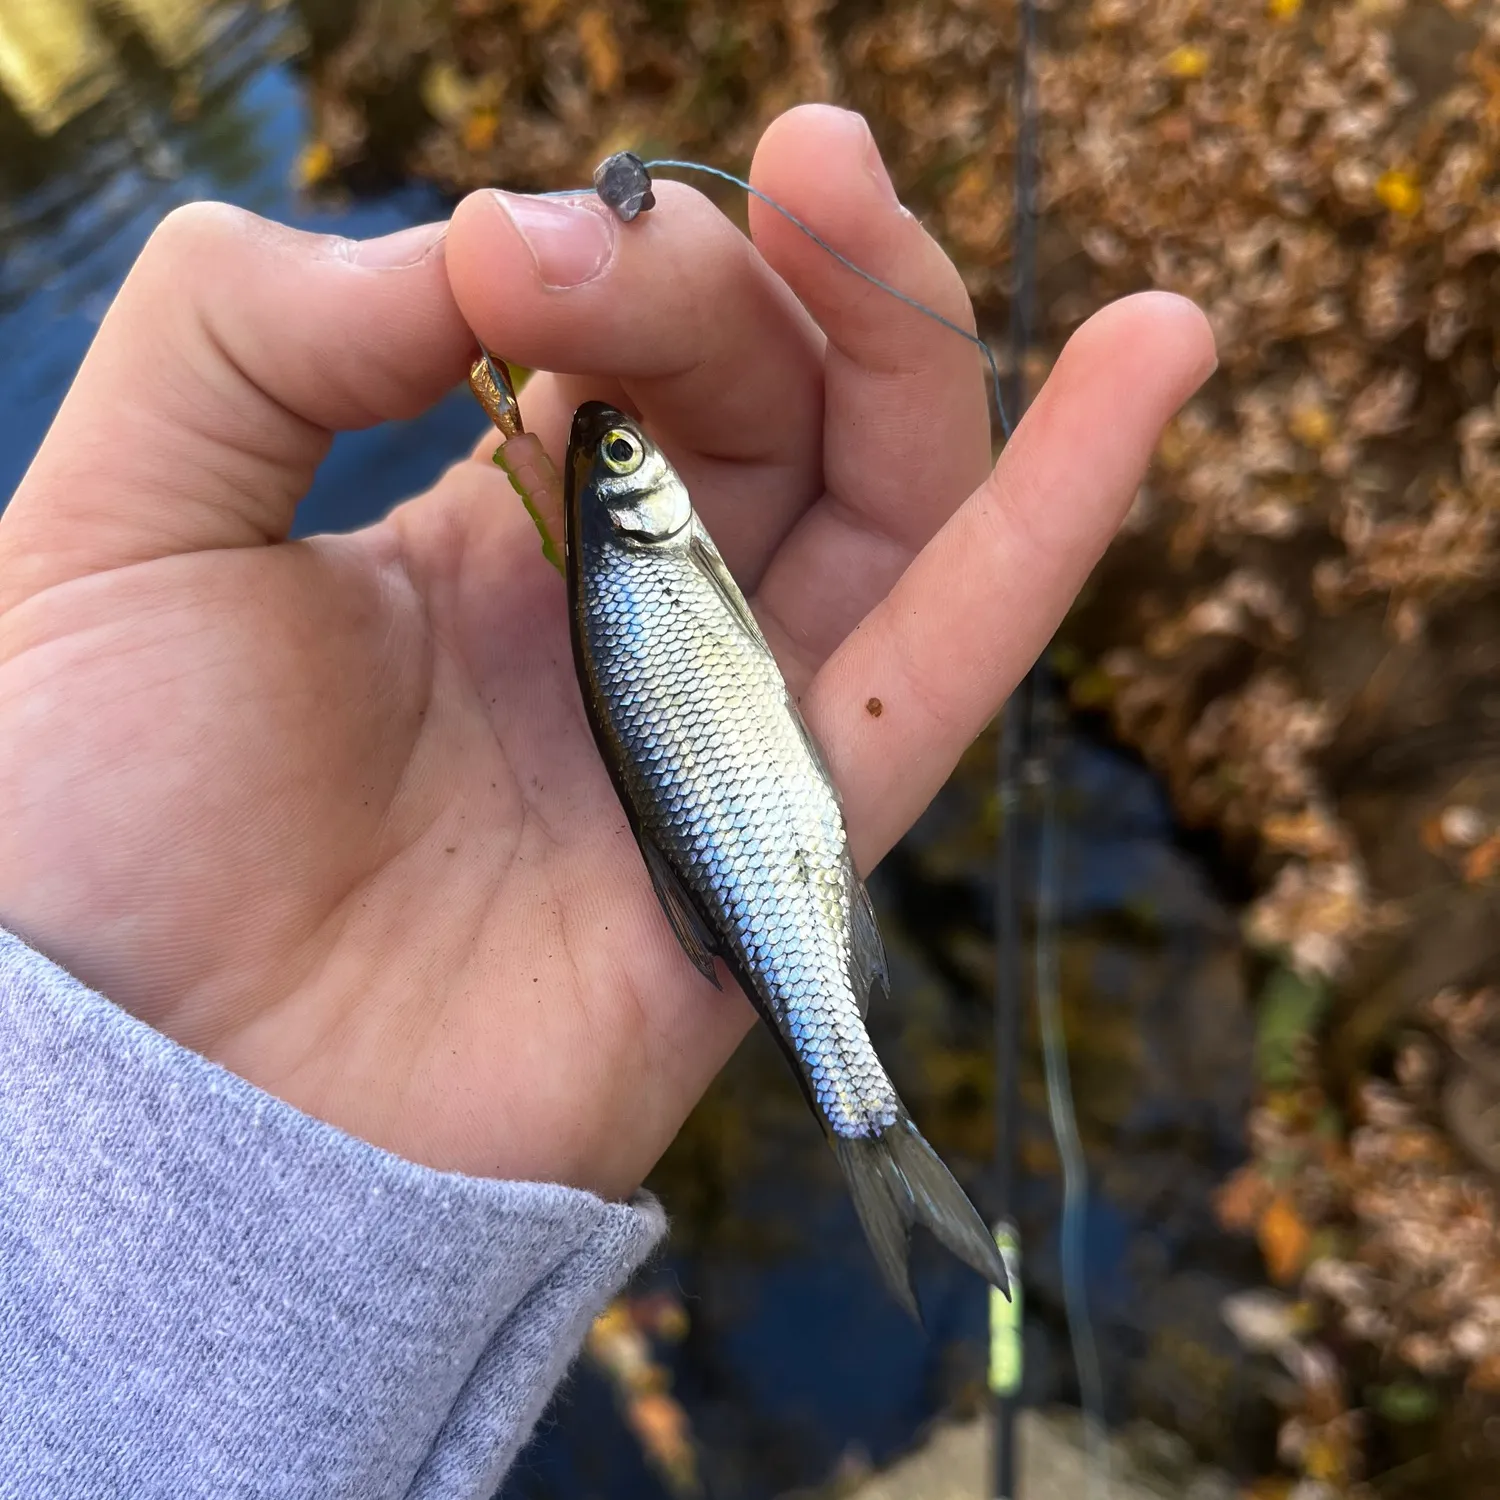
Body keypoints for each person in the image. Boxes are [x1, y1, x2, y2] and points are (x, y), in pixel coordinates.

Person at [0, 105, 1214, 1497]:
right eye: (618, 463)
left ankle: (872, 1128)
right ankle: (872, 1125)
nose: (624, 457)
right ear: (639, 506)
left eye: (615, 461)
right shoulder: (639, 541)